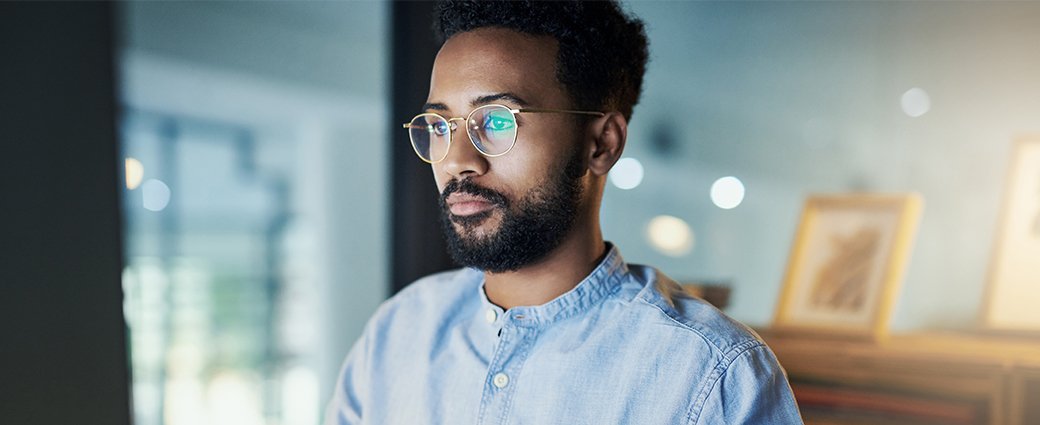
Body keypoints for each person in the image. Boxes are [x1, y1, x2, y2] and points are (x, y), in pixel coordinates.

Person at [326, 1, 803, 423]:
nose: (456, 160)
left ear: (602, 143)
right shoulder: (398, 332)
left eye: (496, 121)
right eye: (440, 124)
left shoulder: (709, 376)